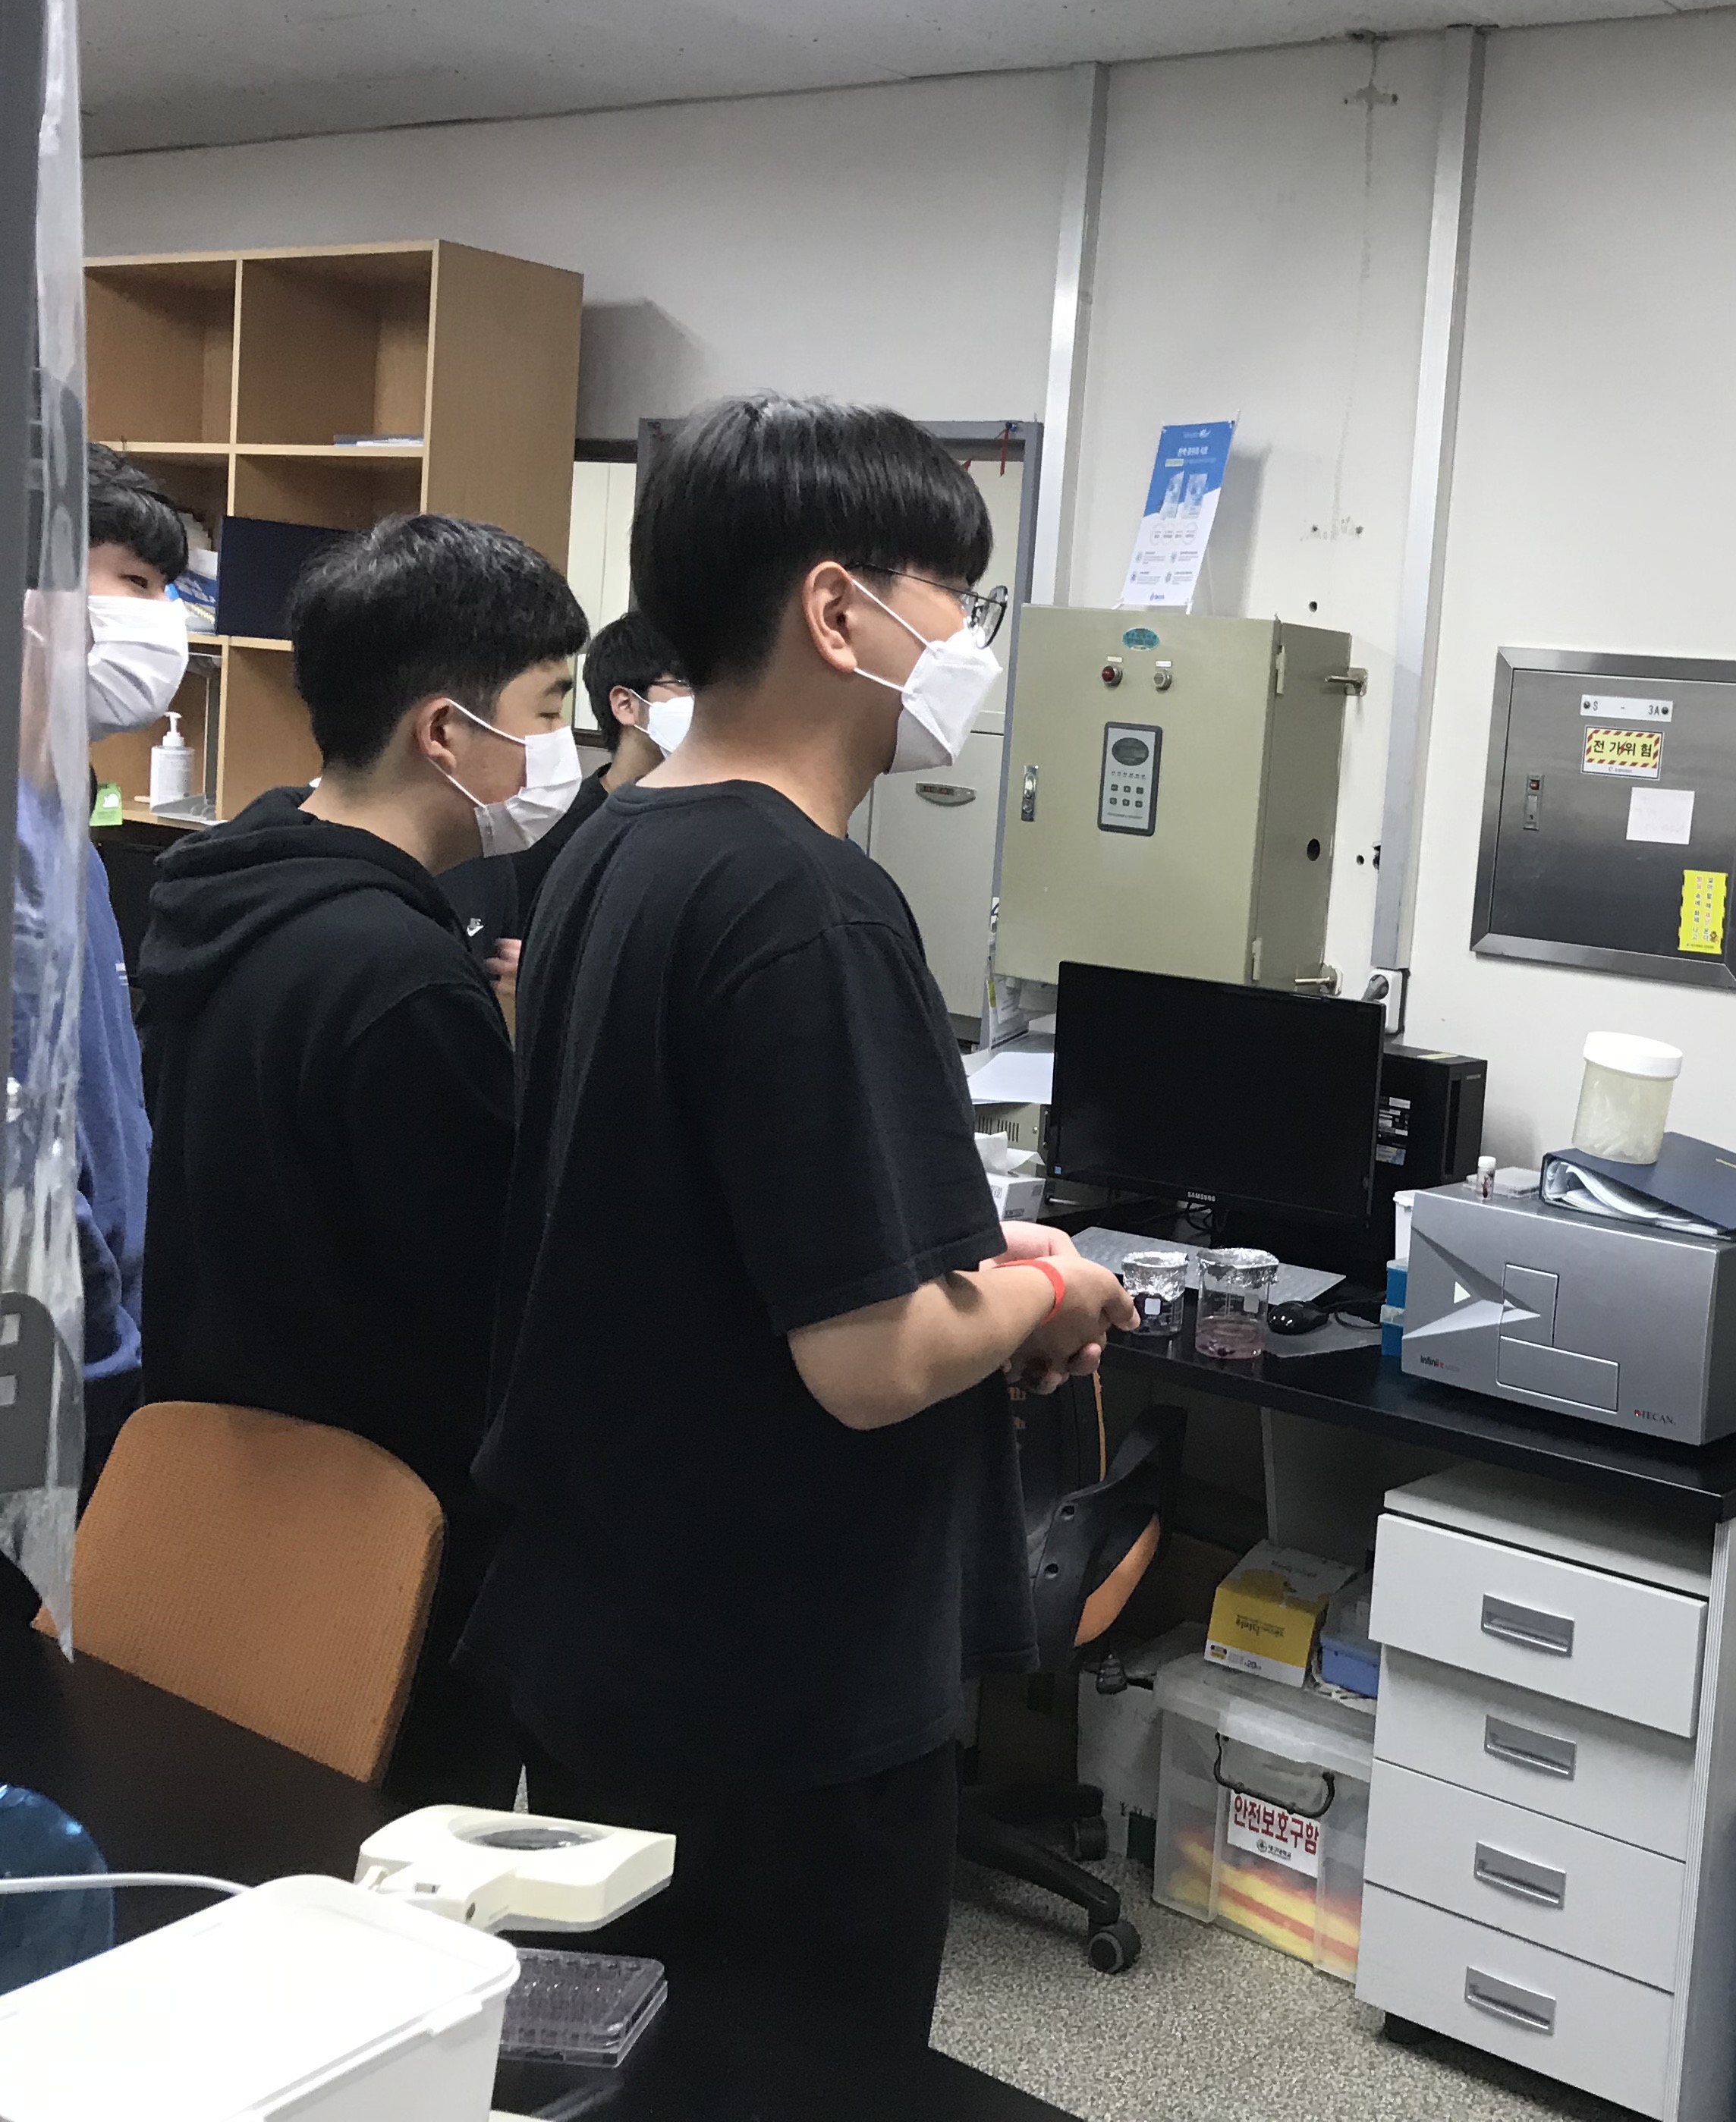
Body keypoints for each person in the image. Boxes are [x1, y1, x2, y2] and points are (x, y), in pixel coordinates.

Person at [461, 394, 1134, 2048]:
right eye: (954, 599)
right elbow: (872, 1357)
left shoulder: (617, 847)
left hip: (619, 1629)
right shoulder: (812, 904)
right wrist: (1048, 1289)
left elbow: (705, 1232)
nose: (967, 642)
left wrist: (978, 1276)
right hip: (779, 1678)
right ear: (838, 612)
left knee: (640, 2059)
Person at [140, 513, 585, 1807]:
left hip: (228, 1496)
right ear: (445, 732)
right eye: (548, 708)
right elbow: (479, 1310)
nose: (562, 748)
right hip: (391, 1532)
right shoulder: (396, 979)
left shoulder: (227, 891)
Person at [72, 448, 193, 1477]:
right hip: (63, 1363)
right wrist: (103, 1344)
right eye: (139, 584)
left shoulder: (56, 815)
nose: (165, 621)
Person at [442, 608, 689, 1023]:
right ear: (626, 704)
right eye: (686, 684)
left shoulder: (710, 828)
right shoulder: (547, 829)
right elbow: (510, 964)